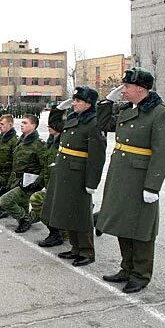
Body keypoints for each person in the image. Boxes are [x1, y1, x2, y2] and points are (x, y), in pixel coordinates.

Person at [96, 67, 165, 293]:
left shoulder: (161, 113)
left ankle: (140, 275)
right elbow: (103, 125)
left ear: (141, 88)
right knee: (123, 222)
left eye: (127, 86)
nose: (123, 90)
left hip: (141, 179)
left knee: (141, 228)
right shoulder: (130, 109)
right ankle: (127, 267)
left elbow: (163, 153)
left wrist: (153, 186)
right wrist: (106, 102)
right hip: (122, 176)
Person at [41, 86, 106, 267]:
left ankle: (86, 251)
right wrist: (58, 109)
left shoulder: (95, 123)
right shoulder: (73, 118)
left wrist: (92, 182)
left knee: (81, 214)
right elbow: (55, 125)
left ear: (89, 103)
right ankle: (75, 248)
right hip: (65, 170)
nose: (74, 103)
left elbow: (97, 156)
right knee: (68, 211)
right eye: (74, 100)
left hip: (79, 173)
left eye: (78, 101)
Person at [0, 114, 45, 233]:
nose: (22, 125)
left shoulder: (38, 144)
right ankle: (28, 219)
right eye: (22, 123)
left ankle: (26, 220)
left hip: (29, 181)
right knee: (21, 205)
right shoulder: (21, 140)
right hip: (17, 179)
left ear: (33, 126)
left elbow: (44, 166)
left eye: (25, 123)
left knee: (5, 200)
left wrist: (38, 182)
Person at [29, 106, 65, 247]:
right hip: (51, 185)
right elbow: (45, 166)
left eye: (53, 123)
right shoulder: (50, 142)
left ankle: (57, 233)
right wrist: (39, 182)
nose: (49, 126)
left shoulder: (64, 143)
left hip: (62, 186)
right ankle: (56, 232)